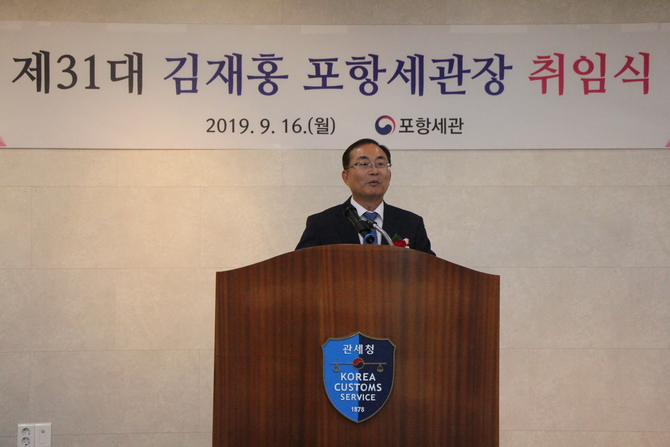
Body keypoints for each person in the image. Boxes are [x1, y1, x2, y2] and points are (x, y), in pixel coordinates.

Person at [295, 138, 435, 255]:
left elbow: (431, 271)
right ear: (346, 177)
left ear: (389, 176)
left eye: (381, 164)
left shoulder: (411, 223)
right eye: (363, 164)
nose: (374, 171)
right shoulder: (322, 224)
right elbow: (299, 269)